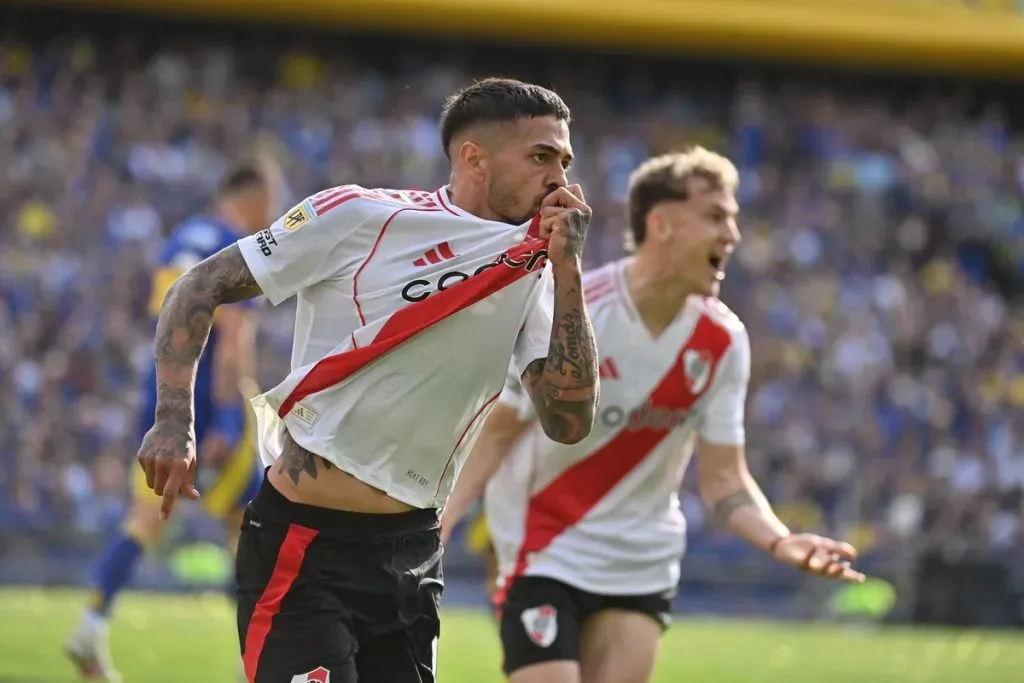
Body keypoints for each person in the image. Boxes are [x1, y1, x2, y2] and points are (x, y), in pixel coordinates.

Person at [135, 78, 602, 683]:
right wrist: (174, 420)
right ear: (474, 158)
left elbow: (568, 421)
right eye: (541, 157)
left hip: (412, 554)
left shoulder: (535, 271)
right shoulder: (362, 215)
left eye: (565, 161)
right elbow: (197, 287)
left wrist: (568, 273)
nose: (559, 179)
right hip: (305, 545)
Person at [440, 148, 866, 683]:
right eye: (715, 217)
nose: (732, 235)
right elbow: (498, 430)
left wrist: (780, 540)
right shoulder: (580, 309)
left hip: (640, 559)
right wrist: (439, 527)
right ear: (660, 224)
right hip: (542, 547)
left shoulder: (723, 340)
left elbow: (724, 481)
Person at [65, 161, 278, 682]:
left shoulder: (178, 240)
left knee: (144, 519)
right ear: (251, 197)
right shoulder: (236, 245)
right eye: (270, 202)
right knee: (249, 524)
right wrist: (228, 420)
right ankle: (254, 657)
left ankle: (91, 623)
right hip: (213, 399)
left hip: (163, 397)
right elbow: (232, 341)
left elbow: (159, 317)